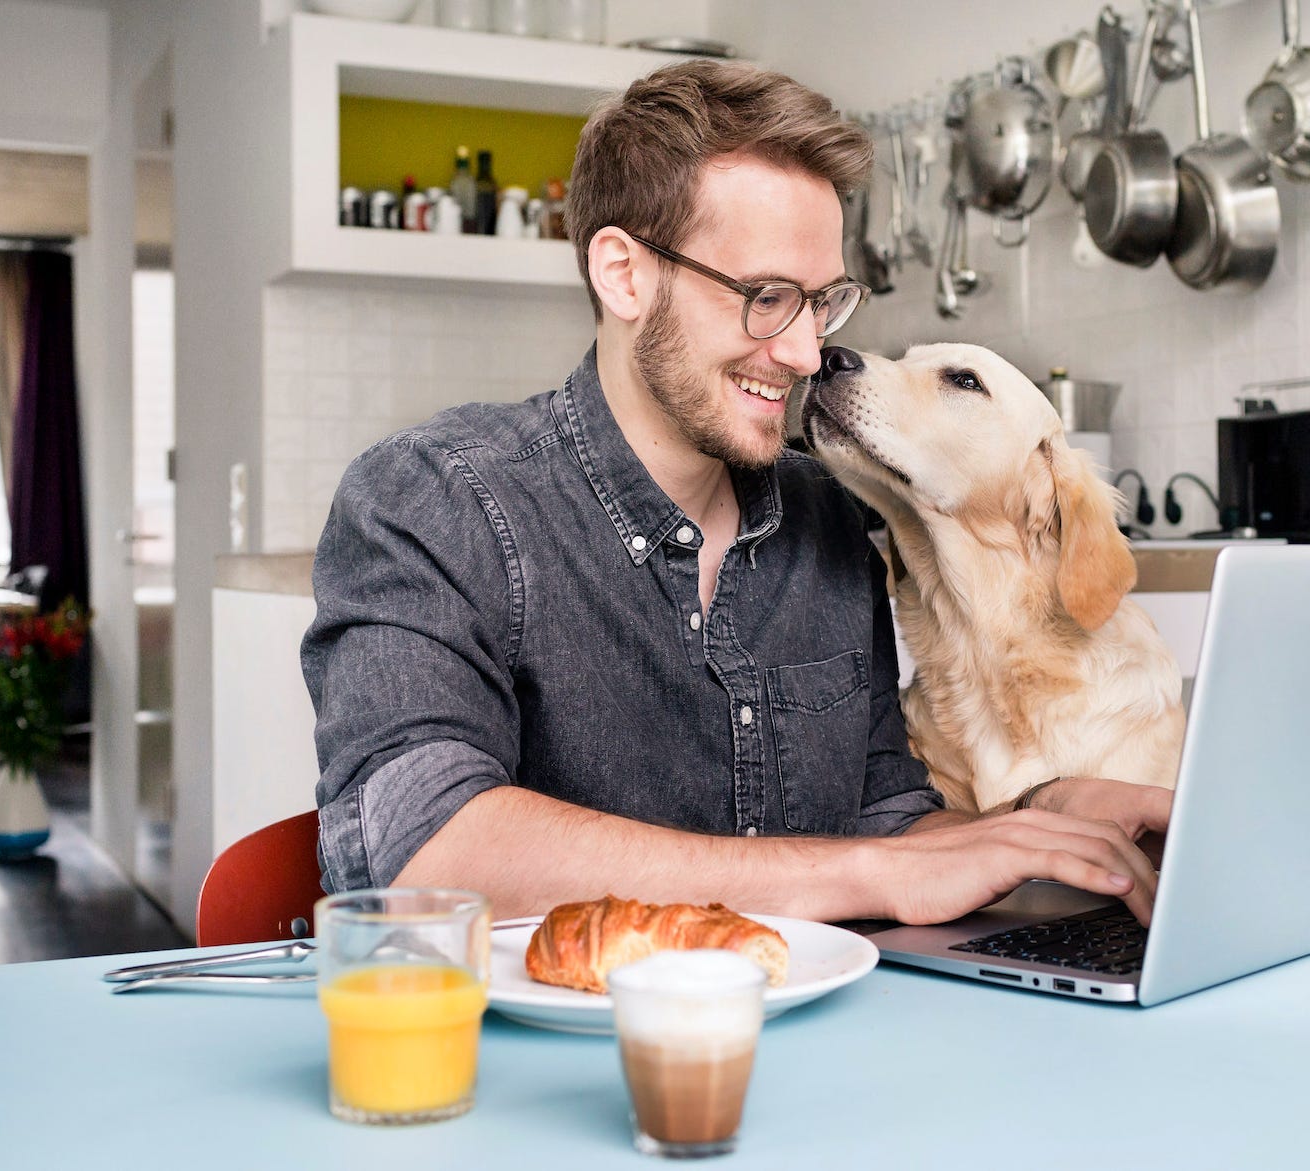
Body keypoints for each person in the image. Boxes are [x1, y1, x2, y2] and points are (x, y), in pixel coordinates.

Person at [302, 59, 1170, 928]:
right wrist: (863, 873)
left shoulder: (828, 517)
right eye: (765, 297)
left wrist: (1037, 818)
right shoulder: (431, 500)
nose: (802, 354)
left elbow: (884, 814)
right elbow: (423, 850)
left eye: (821, 302)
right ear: (624, 274)